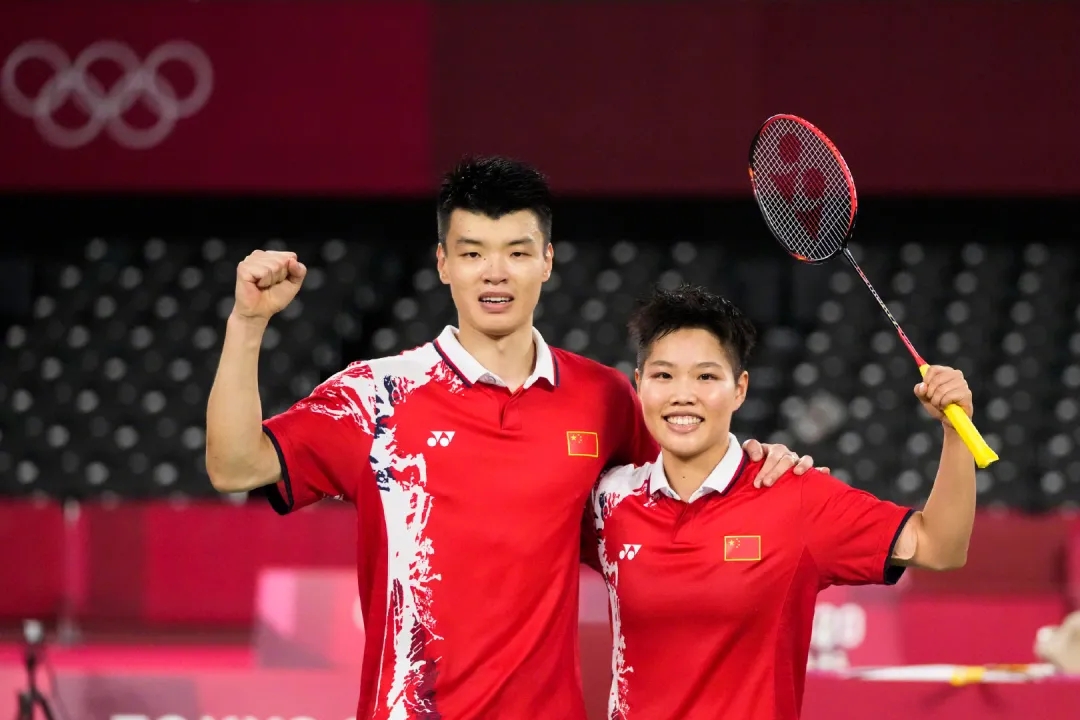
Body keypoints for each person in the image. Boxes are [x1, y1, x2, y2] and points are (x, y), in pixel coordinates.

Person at [205, 156, 817, 720]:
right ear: (443, 263)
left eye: (517, 252)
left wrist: (756, 458)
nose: (495, 273)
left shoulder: (603, 397)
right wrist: (247, 323)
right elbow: (235, 467)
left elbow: (685, 489)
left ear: (546, 261)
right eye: (472, 253)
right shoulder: (377, 396)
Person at [592, 284, 977, 720]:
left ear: (740, 389)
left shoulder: (795, 495)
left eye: (706, 377)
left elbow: (940, 547)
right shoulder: (608, 502)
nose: (683, 394)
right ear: (639, 384)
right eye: (663, 375)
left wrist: (955, 433)